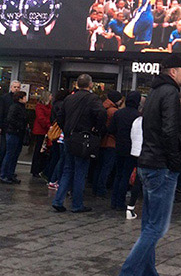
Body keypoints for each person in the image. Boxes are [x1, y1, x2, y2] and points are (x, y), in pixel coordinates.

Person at [112, 55, 181, 276]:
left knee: (149, 226)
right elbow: (169, 130)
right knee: (157, 228)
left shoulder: (155, 92)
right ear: (174, 71)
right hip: (161, 166)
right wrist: (175, 160)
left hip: (148, 162)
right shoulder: (170, 93)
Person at [53, 75, 106, 212]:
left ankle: (58, 200)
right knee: (80, 172)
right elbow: (101, 113)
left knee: (67, 170)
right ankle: (77, 204)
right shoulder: (92, 98)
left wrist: (66, 128)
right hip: (83, 138)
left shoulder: (69, 98)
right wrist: (96, 128)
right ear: (90, 84)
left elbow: (59, 116)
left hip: (69, 137)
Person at [109, 91, 142, 211]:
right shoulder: (138, 115)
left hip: (119, 146)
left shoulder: (118, 113)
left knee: (118, 174)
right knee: (126, 175)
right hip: (131, 148)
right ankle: (120, 201)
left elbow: (111, 129)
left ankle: (114, 200)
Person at [93, 90, 123, 197]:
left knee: (99, 166)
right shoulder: (114, 112)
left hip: (101, 141)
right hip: (111, 142)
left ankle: (95, 187)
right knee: (107, 167)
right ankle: (101, 189)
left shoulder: (102, 108)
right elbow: (115, 128)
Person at [0, 91, 28, 184]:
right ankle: (4, 174)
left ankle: (10, 174)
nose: (26, 99)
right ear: (20, 98)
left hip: (18, 133)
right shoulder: (15, 107)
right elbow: (10, 119)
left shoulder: (21, 107)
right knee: (10, 154)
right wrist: (20, 126)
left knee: (14, 155)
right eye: (24, 97)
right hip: (13, 133)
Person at [44, 89, 70, 186]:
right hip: (60, 134)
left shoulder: (55, 104)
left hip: (57, 134)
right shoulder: (62, 105)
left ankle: (50, 176)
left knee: (56, 156)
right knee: (59, 157)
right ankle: (53, 178)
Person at [0, 80, 22, 174]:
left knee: (12, 150)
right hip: (6, 126)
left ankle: (8, 169)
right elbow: (0, 112)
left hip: (15, 128)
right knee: (4, 148)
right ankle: (0, 167)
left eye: (18, 87)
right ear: (11, 87)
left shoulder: (20, 99)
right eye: (15, 87)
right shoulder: (5, 98)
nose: (16, 89)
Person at [31, 90, 52, 177]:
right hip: (40, 131)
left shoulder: (49, 106)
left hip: (45, 130)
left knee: (43, 151)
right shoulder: (40, 106)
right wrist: (48, 125)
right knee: (38, 150)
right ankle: (35, 169)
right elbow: (41, 118)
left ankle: (40, 168)